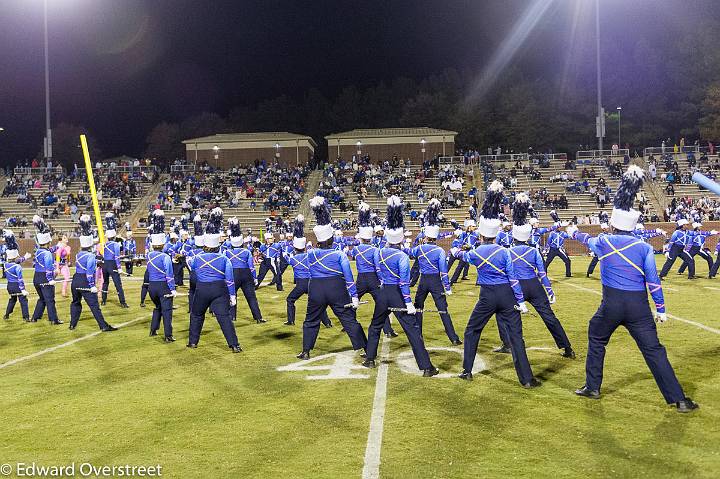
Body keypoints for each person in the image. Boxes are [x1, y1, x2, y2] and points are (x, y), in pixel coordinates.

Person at [572, 166, 697, 412]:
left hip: (611, 304)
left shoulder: (605, 241)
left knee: (596, 337)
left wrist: (573, 231)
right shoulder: (645, 248)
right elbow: (653, 281)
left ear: (614, 224)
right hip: (639, 307)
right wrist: (660, 308)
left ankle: (592, 386)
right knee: (654, 350)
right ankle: (679, 399)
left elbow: (586, 240)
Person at [453, 181, 540, 388]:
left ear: (481, 234)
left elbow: (461, 255)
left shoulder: (476, 252)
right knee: (516, 337)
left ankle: (467, 371)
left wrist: (455, 250)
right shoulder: (505, 251)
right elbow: (512, 278)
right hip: (508, 295)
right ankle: (527, 380)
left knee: (472, 331)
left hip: (487, 296)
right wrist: (520, 301)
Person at [362, 196, 439, 376]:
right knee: (412, 331)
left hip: (383, 293)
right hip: (397, 295)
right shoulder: (403, 257)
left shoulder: (379, 252)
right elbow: (404, 282)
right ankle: (426, 367)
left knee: (375, 326)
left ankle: (370, 358)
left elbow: (378, 272)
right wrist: (409, 303)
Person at [297, 196, 367, 359]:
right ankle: (364, 348)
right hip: (337, 289)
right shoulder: (339, 254)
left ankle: (306, 351)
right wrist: (355, 296)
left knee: (311, 320)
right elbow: (349, 278)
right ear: (331, 238)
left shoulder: (311, 253)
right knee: (348, 319)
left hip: (316, 289)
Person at [508, 193, 575, 358]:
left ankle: (510, 345)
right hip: (535, 286)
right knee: (549, 317)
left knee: (509, 319)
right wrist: (550, 291)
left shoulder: (508, 252)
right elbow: (543, 274)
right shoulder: (534, 252)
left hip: (517, 287)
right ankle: (567, 348)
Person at [187, 208, 242, 352]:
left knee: (197, 315)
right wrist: (232, 296)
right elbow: (229, 280)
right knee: (224, 318)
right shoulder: (224, 258)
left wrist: (195, 289)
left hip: (202, 289)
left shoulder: (197, 258)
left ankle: (193, 342)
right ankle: (234, 345)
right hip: (219, 290)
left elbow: (193, 273)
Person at [410, 199, 460, 345]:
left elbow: (410, 253)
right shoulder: (439, 251)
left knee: (418, 307)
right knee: (443, 310)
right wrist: (448, 288)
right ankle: (453, 338)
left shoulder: (419, 248)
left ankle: (418, 334)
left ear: (426, 236)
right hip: (436, 282)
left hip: (423, 281)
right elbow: (444, 272)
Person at [346, 201, 396, 337]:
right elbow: (378, 266)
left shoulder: (356, 249)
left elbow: (350, 254)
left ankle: (348, 324)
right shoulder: (374, 249)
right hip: (374, 279)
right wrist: (381, 280)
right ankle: (388, 330)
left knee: (353, 300)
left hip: (361, 279)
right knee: (381, 304)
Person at [70, 215, 117, 332]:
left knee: (75, 303)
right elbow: (90, 273)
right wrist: (92, 286)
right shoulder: (90, 256)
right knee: (94, 306)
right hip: (86, 282)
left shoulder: (78, 254)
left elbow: (86, 263)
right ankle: (103, 326)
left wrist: (98, 260)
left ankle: (72, 324)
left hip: (75, 281)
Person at [283, 215, 331, 327]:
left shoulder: (293, 259)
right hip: (311, 282)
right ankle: (327, 323)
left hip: (300, 284)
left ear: (295, 247)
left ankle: (291, 321)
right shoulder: (310, 255)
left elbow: (285, 256)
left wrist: (287, 248)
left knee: (290, 300)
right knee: (318, 303)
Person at [225, 217, 265, 323]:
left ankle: (232, 317)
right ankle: (258, 317)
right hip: (246, 274)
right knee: (251, 297)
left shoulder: (227, 252)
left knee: (232, 295)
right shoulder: (246, 252)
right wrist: (255, 278)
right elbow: (251, 267)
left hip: (233, 274)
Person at [146, 210, 177, 342]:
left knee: (157, 308)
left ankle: (153, 330)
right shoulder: (165, 257)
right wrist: (172, 289)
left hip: (152, 287)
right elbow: (169, 275)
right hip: (163, 286)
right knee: (167, 311)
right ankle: (168, 336)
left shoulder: (149, 255)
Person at [31, 215, 62, 324]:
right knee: (50, 300)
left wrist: (58, 246)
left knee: (42, 299)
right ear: (48, 241)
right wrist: (50, 279)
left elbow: (49, 250)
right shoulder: (47, 254)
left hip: (36, 278)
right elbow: (49, 268)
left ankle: (35, 317)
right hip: (45, 278)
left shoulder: (38, 251)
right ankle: (54, 319)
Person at [101, 213, 129, 307]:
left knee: (105, 282)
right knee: (118, 284)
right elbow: (116, 257)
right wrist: (119, 268)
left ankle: (103, 300)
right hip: (112, 264)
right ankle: (123, 302)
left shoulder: (105, 244)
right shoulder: (116, 245)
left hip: (105, 264)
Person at [3, 230, 31, 321]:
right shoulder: (17, 267)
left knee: (12, 299)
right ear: (15, 256)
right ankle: (26, 317)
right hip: (17, 286)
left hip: (9, 286)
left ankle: (6, 314)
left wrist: (24, 258)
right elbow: (20, 279)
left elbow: (15, 261)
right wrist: (23, 290)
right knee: (23, 300)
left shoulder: (6, 265)